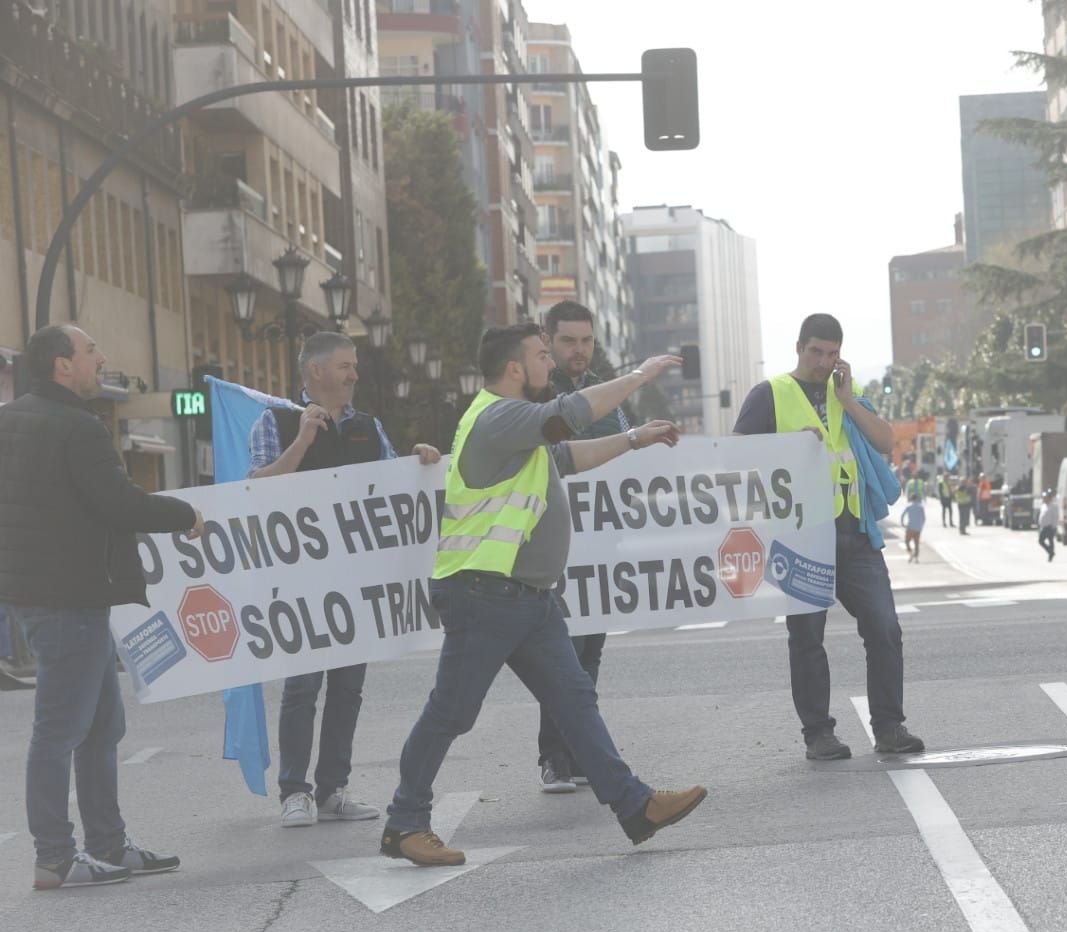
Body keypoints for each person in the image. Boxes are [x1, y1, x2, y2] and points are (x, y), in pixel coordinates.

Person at [381, 325, 706, 865]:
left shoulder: (519, 430)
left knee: (574, 700)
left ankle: (635, 805)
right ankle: (405, 823)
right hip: (484, 592)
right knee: (451, 713)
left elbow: (569, 457)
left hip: (527, 598)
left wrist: (633, 439)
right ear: (514, 368)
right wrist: (638, 376)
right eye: (540, 355)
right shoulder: (498, 417)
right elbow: (570, 415)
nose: (550, 364)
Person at [0, 326, 202, 889]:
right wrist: (184, 514)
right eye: (91, 351)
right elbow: (118, 503)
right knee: (61, 728)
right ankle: (55, 857)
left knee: (100, 725)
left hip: (38, 594)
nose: (102, 357)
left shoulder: (10, 420)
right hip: (71, 597)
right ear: (63, 365)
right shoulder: (78, 426)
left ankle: (107, 844)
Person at [249, 333, 442, 828]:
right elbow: (256, 491)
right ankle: (295, 792)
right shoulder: (275, 423)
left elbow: (395, 485)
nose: (355, 374)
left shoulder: (367, 428)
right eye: (345, 366)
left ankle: (333, 789)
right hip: (301, 581)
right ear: (316, 372)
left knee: (347, 689)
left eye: (354, 366)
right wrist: (302, 442)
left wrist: (419, 461)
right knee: (302, 688)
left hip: (356, 580)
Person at [732, 313, 925, 761]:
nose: (823, 361)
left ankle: (889, 728)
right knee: (807, 639)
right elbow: (735, 454)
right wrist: (784, 449)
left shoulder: (848, 395)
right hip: (800, 537)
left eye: (832, 353)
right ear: (799, 348)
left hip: (854, 531)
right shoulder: (770, 394)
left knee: (885, 628)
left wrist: (849, 400)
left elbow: (885, 441)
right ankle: (818, 734)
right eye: (816, 351)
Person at [534, 300, 628, 796]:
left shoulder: (607, 396)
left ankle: (579, 755)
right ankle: (554, 757)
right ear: (547, 341)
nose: (579, 350)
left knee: (589, 655)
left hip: (602, 549)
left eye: (586, 340)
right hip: (551, 549)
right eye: (568, 340)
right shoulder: (534, 395)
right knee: (561, 657)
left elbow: (629, 457)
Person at [900, 492, 927, 564]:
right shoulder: (921, 507)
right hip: (918, 528)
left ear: (911, 499)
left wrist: (902, 523)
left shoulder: (908, 506)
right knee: (916, 543)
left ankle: (910, 553)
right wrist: (921, 526)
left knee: (907, 541)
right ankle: (916, 558)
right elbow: (924, 518)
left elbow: (902, 515)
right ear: (917, 499)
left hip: (910, 527)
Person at [1037, 490, 1060, 562]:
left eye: (1046, 497)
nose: (1044, 499)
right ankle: (1051, 552)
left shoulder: (1053, 506)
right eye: (1044, 497)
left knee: (1049, 540)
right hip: (1043, 526)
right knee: (1041, 541)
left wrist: (1054, 526)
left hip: (1049, 526)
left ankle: (1050, 554)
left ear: (1049, 498)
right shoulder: (1043, 506)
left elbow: (1055, 517)